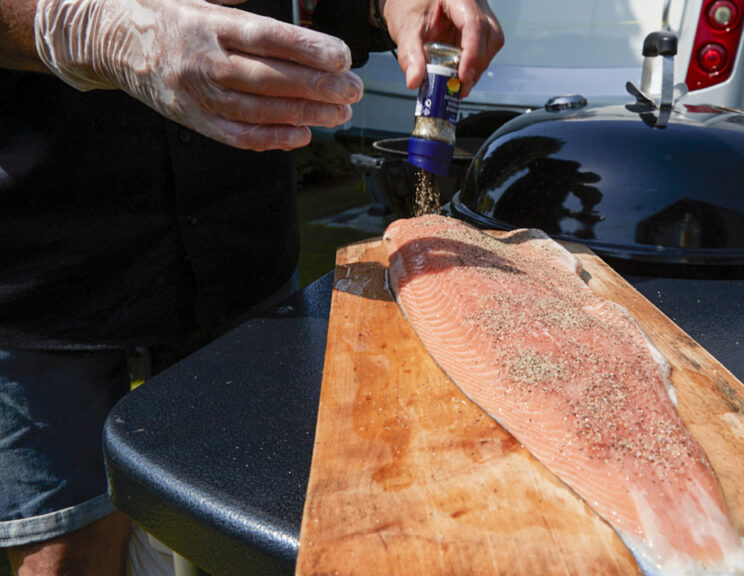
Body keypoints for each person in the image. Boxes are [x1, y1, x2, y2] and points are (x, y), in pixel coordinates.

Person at [0, 0, 503, 573]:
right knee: (68, 556)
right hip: (46, 268)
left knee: (257, 529)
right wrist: (76, 26)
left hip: (242, 251)